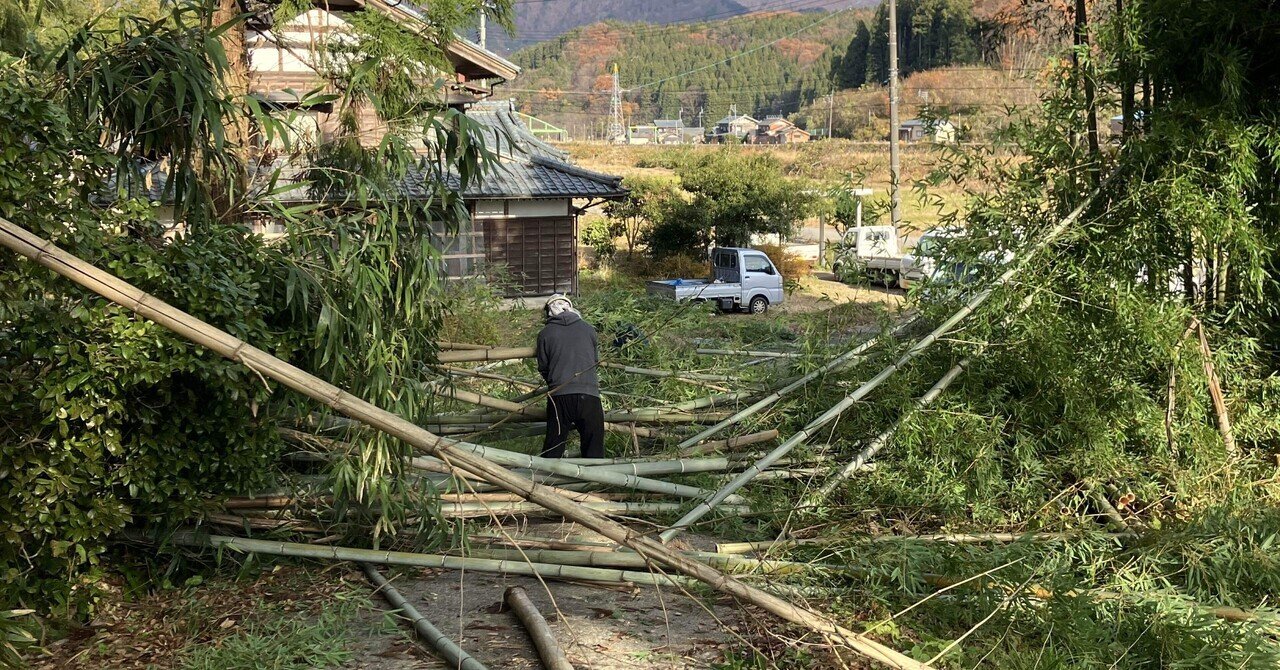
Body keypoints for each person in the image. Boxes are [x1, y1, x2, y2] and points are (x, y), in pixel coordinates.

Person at [535, 294, 605, 459]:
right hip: (590, 395)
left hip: (560, 396)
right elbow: (594, 361)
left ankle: (547, 481)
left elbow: (544, 367)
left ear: (549, 312)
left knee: (553, 448)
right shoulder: (589, 329)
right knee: (594, 448)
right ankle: (595, 482)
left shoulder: (545, 334)